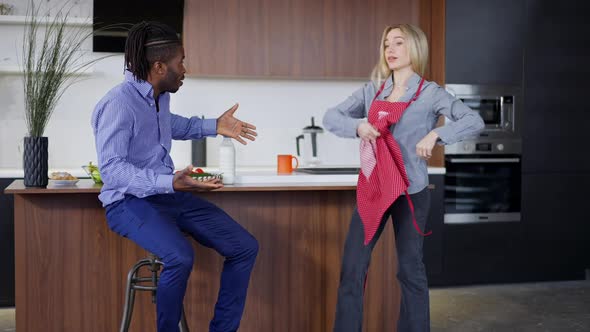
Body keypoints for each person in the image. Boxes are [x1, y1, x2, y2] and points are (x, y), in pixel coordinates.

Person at [91, 21, 259, 332]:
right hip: (128, 203)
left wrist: (214, 125)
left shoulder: (157, 96)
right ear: (158, 66)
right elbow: (112, 170)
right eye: (180, 61)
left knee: (244, 246)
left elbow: (170, 125)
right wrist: (168, 182)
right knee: (180, 257)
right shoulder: (118, 104)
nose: (185, 69)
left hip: (166, 196)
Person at [323, 24, 484, 332]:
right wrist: (358, 127)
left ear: (416, 49)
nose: (391, 50)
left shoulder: (430, 93)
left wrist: (437, 133)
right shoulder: (373, 91)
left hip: (411, 191)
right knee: (353, 268)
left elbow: (473, 120)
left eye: (399, 43)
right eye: (387, 44)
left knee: (410, 271)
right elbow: (332, 117)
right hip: (374, 188)